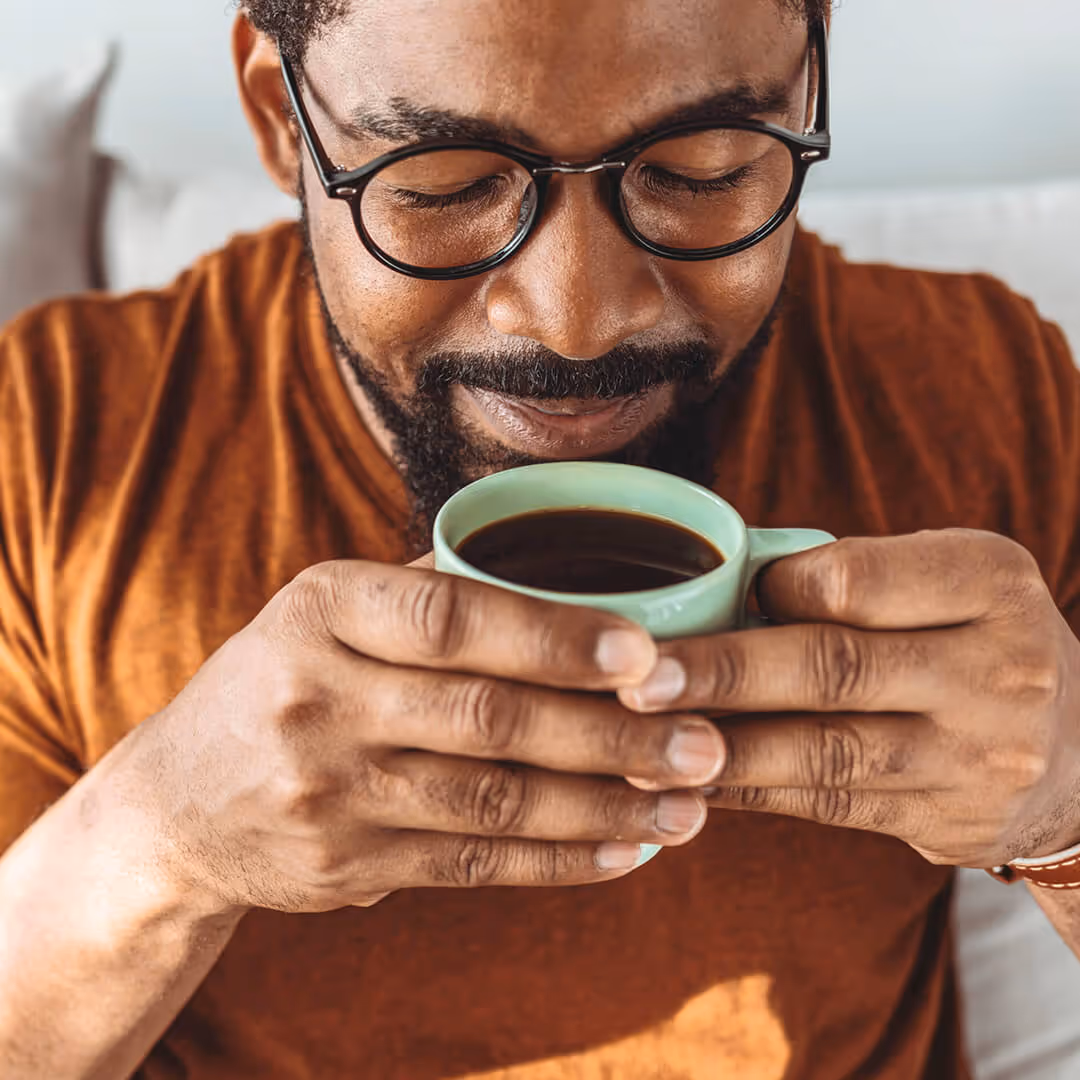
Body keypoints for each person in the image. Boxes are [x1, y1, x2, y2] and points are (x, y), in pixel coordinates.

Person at [1, 0, 1078, 1076]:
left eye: (699, 169)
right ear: (283, 117)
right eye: (445, 184)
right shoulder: (52, 448)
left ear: (807, 84)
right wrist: (166, 841)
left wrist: (1070, 808)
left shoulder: (989, 395)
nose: (578, 319)